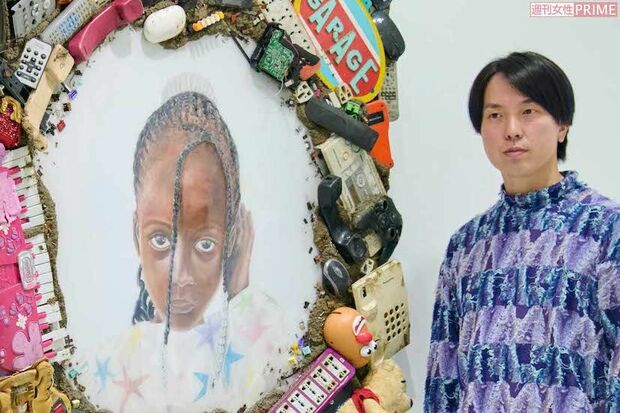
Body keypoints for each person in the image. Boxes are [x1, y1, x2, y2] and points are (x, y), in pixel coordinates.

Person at [424, 51, 620, 412]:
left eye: (528, 111)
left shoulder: (606, 229)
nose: (512, 129)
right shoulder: (466, 245)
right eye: (495, 115)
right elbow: (444, 375)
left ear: (562, 125)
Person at [79, 91, 288, 413]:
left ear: (232, 239)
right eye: (160, 240)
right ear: (136, 234)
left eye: (205, 244)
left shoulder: (260, 336)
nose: (180, 277)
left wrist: (241, 296)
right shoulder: (104, 368)